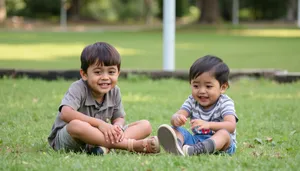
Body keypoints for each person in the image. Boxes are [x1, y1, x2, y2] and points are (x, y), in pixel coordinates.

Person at [48, 42, 160, 155]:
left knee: (145, 125)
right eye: (98, 72)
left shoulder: (115, 91)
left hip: (99, 136)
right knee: (76, 124)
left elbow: (119, 117)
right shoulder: (78, 88)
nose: (105, 77)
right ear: (84, 74)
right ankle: (130, 145)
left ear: (118, 73)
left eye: (111, 72)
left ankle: (104, 148)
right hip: (71, 139)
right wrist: (99, 124)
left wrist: (118, 127)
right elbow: (66, 113)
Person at [157, 55, 238, 156]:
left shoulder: (225, 102)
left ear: (223, 87)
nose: (201, 91)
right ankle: (178, 146)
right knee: (175, 130)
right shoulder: (192, 101)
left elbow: (231, 125)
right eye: (196, 86)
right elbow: (176, 115)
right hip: (196, 141)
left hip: (222, 146)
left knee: (224, 134)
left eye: (208, 86)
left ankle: (198, 150)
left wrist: (208, 125)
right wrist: (177, 118)